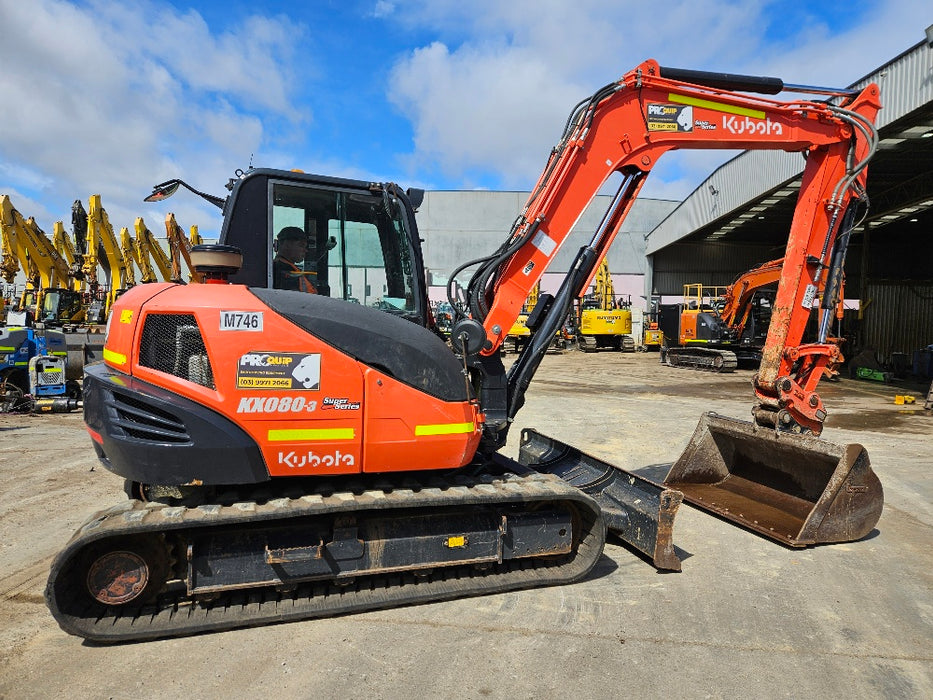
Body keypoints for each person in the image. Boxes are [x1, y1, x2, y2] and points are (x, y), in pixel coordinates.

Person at [272, 226, 317, 293]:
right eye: (301, 245)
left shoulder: (288, 269)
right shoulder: (285, 271)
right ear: (285, 244)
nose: (305, 250)